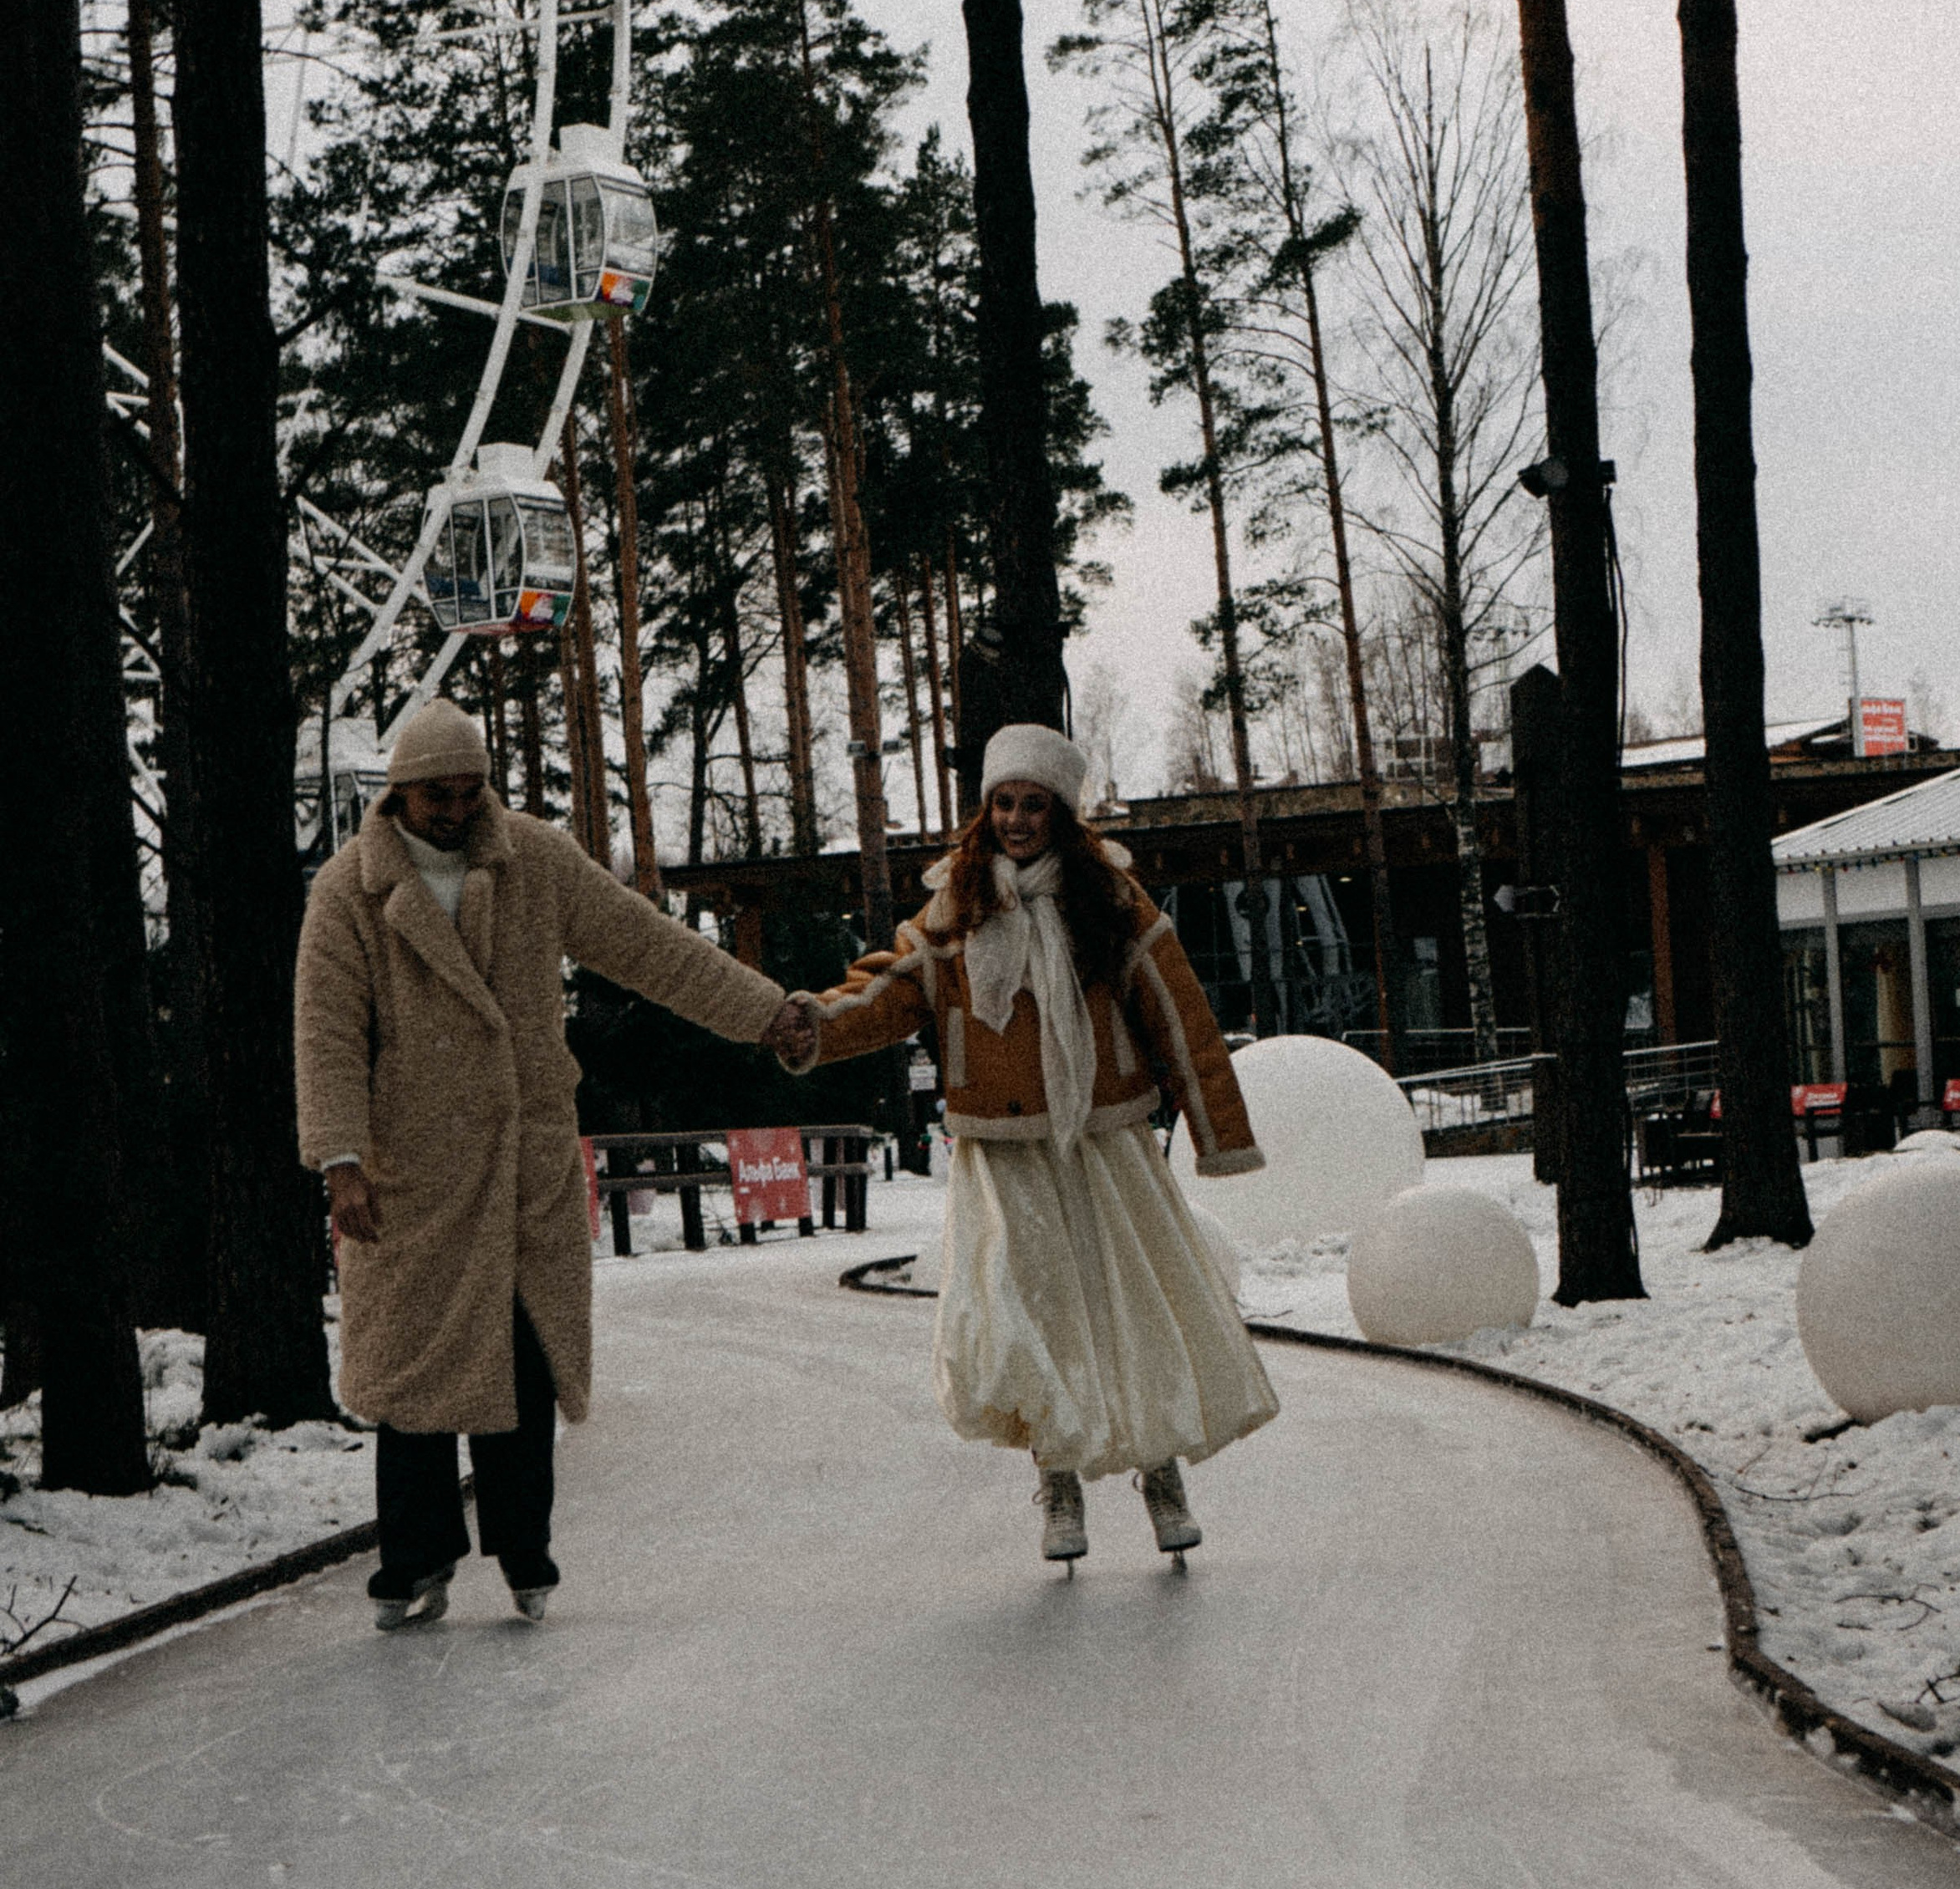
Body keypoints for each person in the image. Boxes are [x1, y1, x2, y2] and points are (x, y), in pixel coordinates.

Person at [296, 698, 812, 1632]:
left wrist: (762, 1011)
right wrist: (341, 1161)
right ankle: (414, 1560)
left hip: (522, 1161)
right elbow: (327, 1035)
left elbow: (648, 946)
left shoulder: (532, 860)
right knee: (413, 1376)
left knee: (522, 1361)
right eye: (437, 798)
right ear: (399, 794)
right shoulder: (348, 892)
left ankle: (524, 1553)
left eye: (471, 793)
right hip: (411, 1173)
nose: (457, 813)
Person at [776, 723, 1277, 1568]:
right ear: (987, 811)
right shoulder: (955, 908)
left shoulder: (1109, 901)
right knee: (1030, 1316)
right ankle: (1060, 1482)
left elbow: (1178, 1010)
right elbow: (889, 990)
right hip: (1002, 1148)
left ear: (1061, 814)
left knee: (1131, 1306)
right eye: (1003, 803)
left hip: (1101, 1136)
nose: (1015, 820)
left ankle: (1160, 1473)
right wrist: (815, 1024)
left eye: (1033, 805)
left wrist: (1217, 1131)